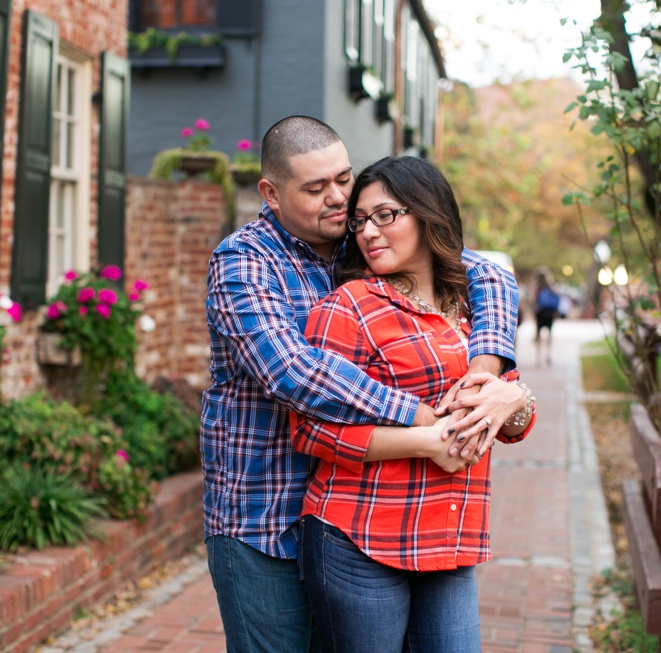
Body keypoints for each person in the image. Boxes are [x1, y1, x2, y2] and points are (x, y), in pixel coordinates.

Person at [200, 116, 521, 653]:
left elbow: (487, 274)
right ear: (271, 194)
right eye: (315, 188)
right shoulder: (244, 261)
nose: (337, 199)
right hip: (263, 518)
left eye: (343, 179)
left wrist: (486, 375)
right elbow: (292, 373)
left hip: (357, 518)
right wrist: (426, 420)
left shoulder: (358, 245)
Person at [291, 156, 537, 653]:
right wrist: (428, 443)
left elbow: (512, 426)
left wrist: (516, 397)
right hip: (359, 537)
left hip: (449, 539)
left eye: (385, 215)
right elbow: (309, 432)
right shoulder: (350, 306)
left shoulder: (474, 309)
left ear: (428, 214)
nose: (367, 232)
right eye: (359, 221)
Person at [534, 267, 560, 366]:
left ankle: (538, 357)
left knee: (538, 334)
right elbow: (556, 295)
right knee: (549, 334)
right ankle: (548, 355)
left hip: (540, 312)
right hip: (549, 312)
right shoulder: (550, 286)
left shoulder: (537, 287)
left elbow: (533, 299)